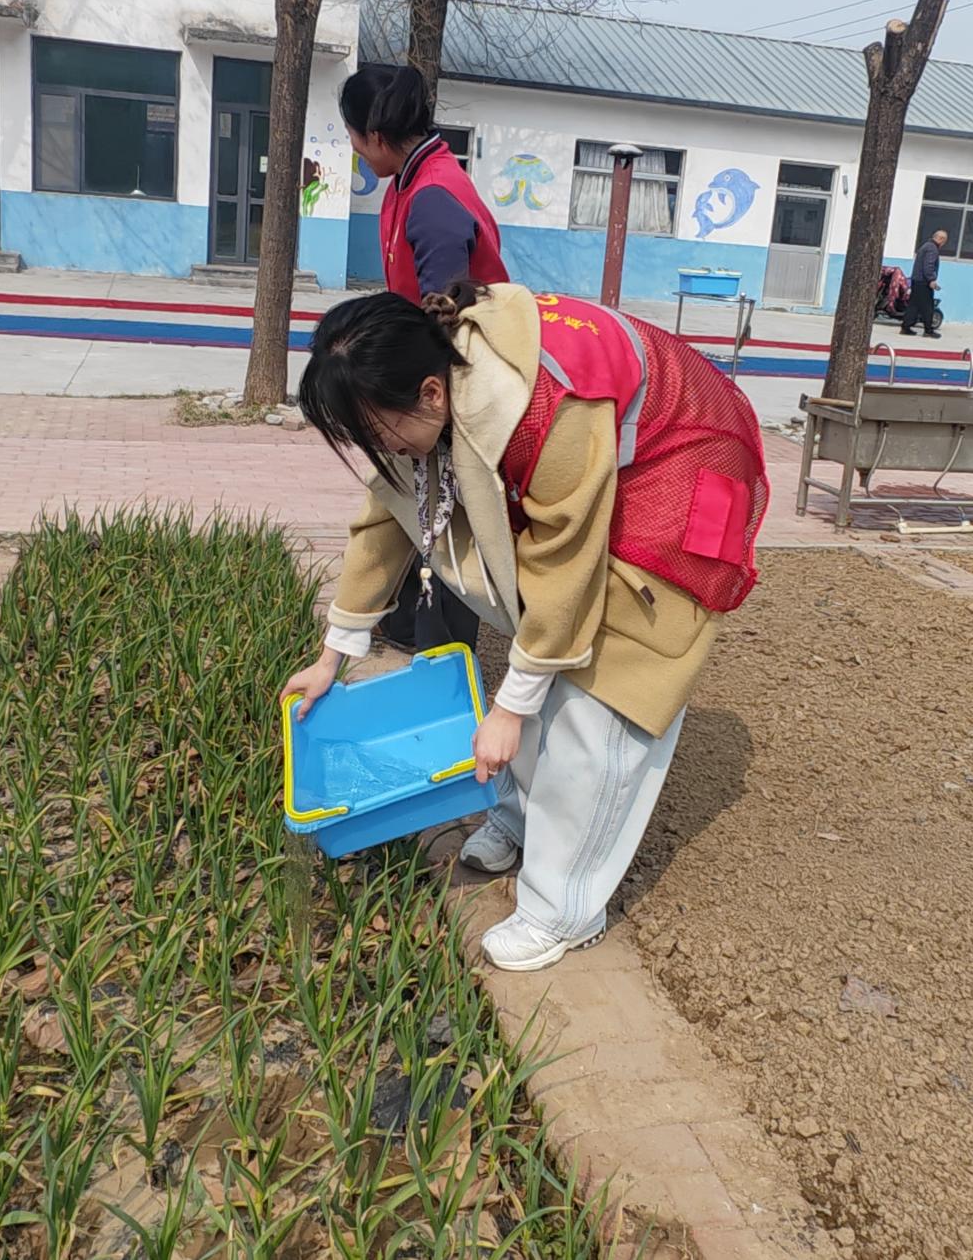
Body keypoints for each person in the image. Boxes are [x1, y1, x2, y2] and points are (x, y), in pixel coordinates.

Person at [281, 280, 769, 971]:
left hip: (680, 467)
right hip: (602, 463)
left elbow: (564, 570)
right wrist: (333, 655)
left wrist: (512, 705)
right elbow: (386, 514)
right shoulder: (437, 379)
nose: (375, 448)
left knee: (600, 703)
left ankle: (563, 910)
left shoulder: (549, 405)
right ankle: (516, 819)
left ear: (431, 394)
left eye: (376, 432)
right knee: (536, 673)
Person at [339, 63, 509, 653]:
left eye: (354, 138)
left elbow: (448, 315)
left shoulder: (434, 196)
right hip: (427, 372)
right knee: (416, 496)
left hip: (456, 376)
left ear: (375, 137)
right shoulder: (409, 181)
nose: (355, 150)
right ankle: (406, 622)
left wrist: (423, 402)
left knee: (448, 508)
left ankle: (444, 648)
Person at [905, 228, 946, 338]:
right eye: (944, 241)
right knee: (928, 306)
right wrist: (931, 279)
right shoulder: (932, 249)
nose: (943, 244)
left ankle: (906, 327)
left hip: (916, 280)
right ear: (941, 239)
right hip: (924, 282)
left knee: (913, 305)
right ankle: (928, 330)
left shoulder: (926, 246)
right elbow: (928, 265)